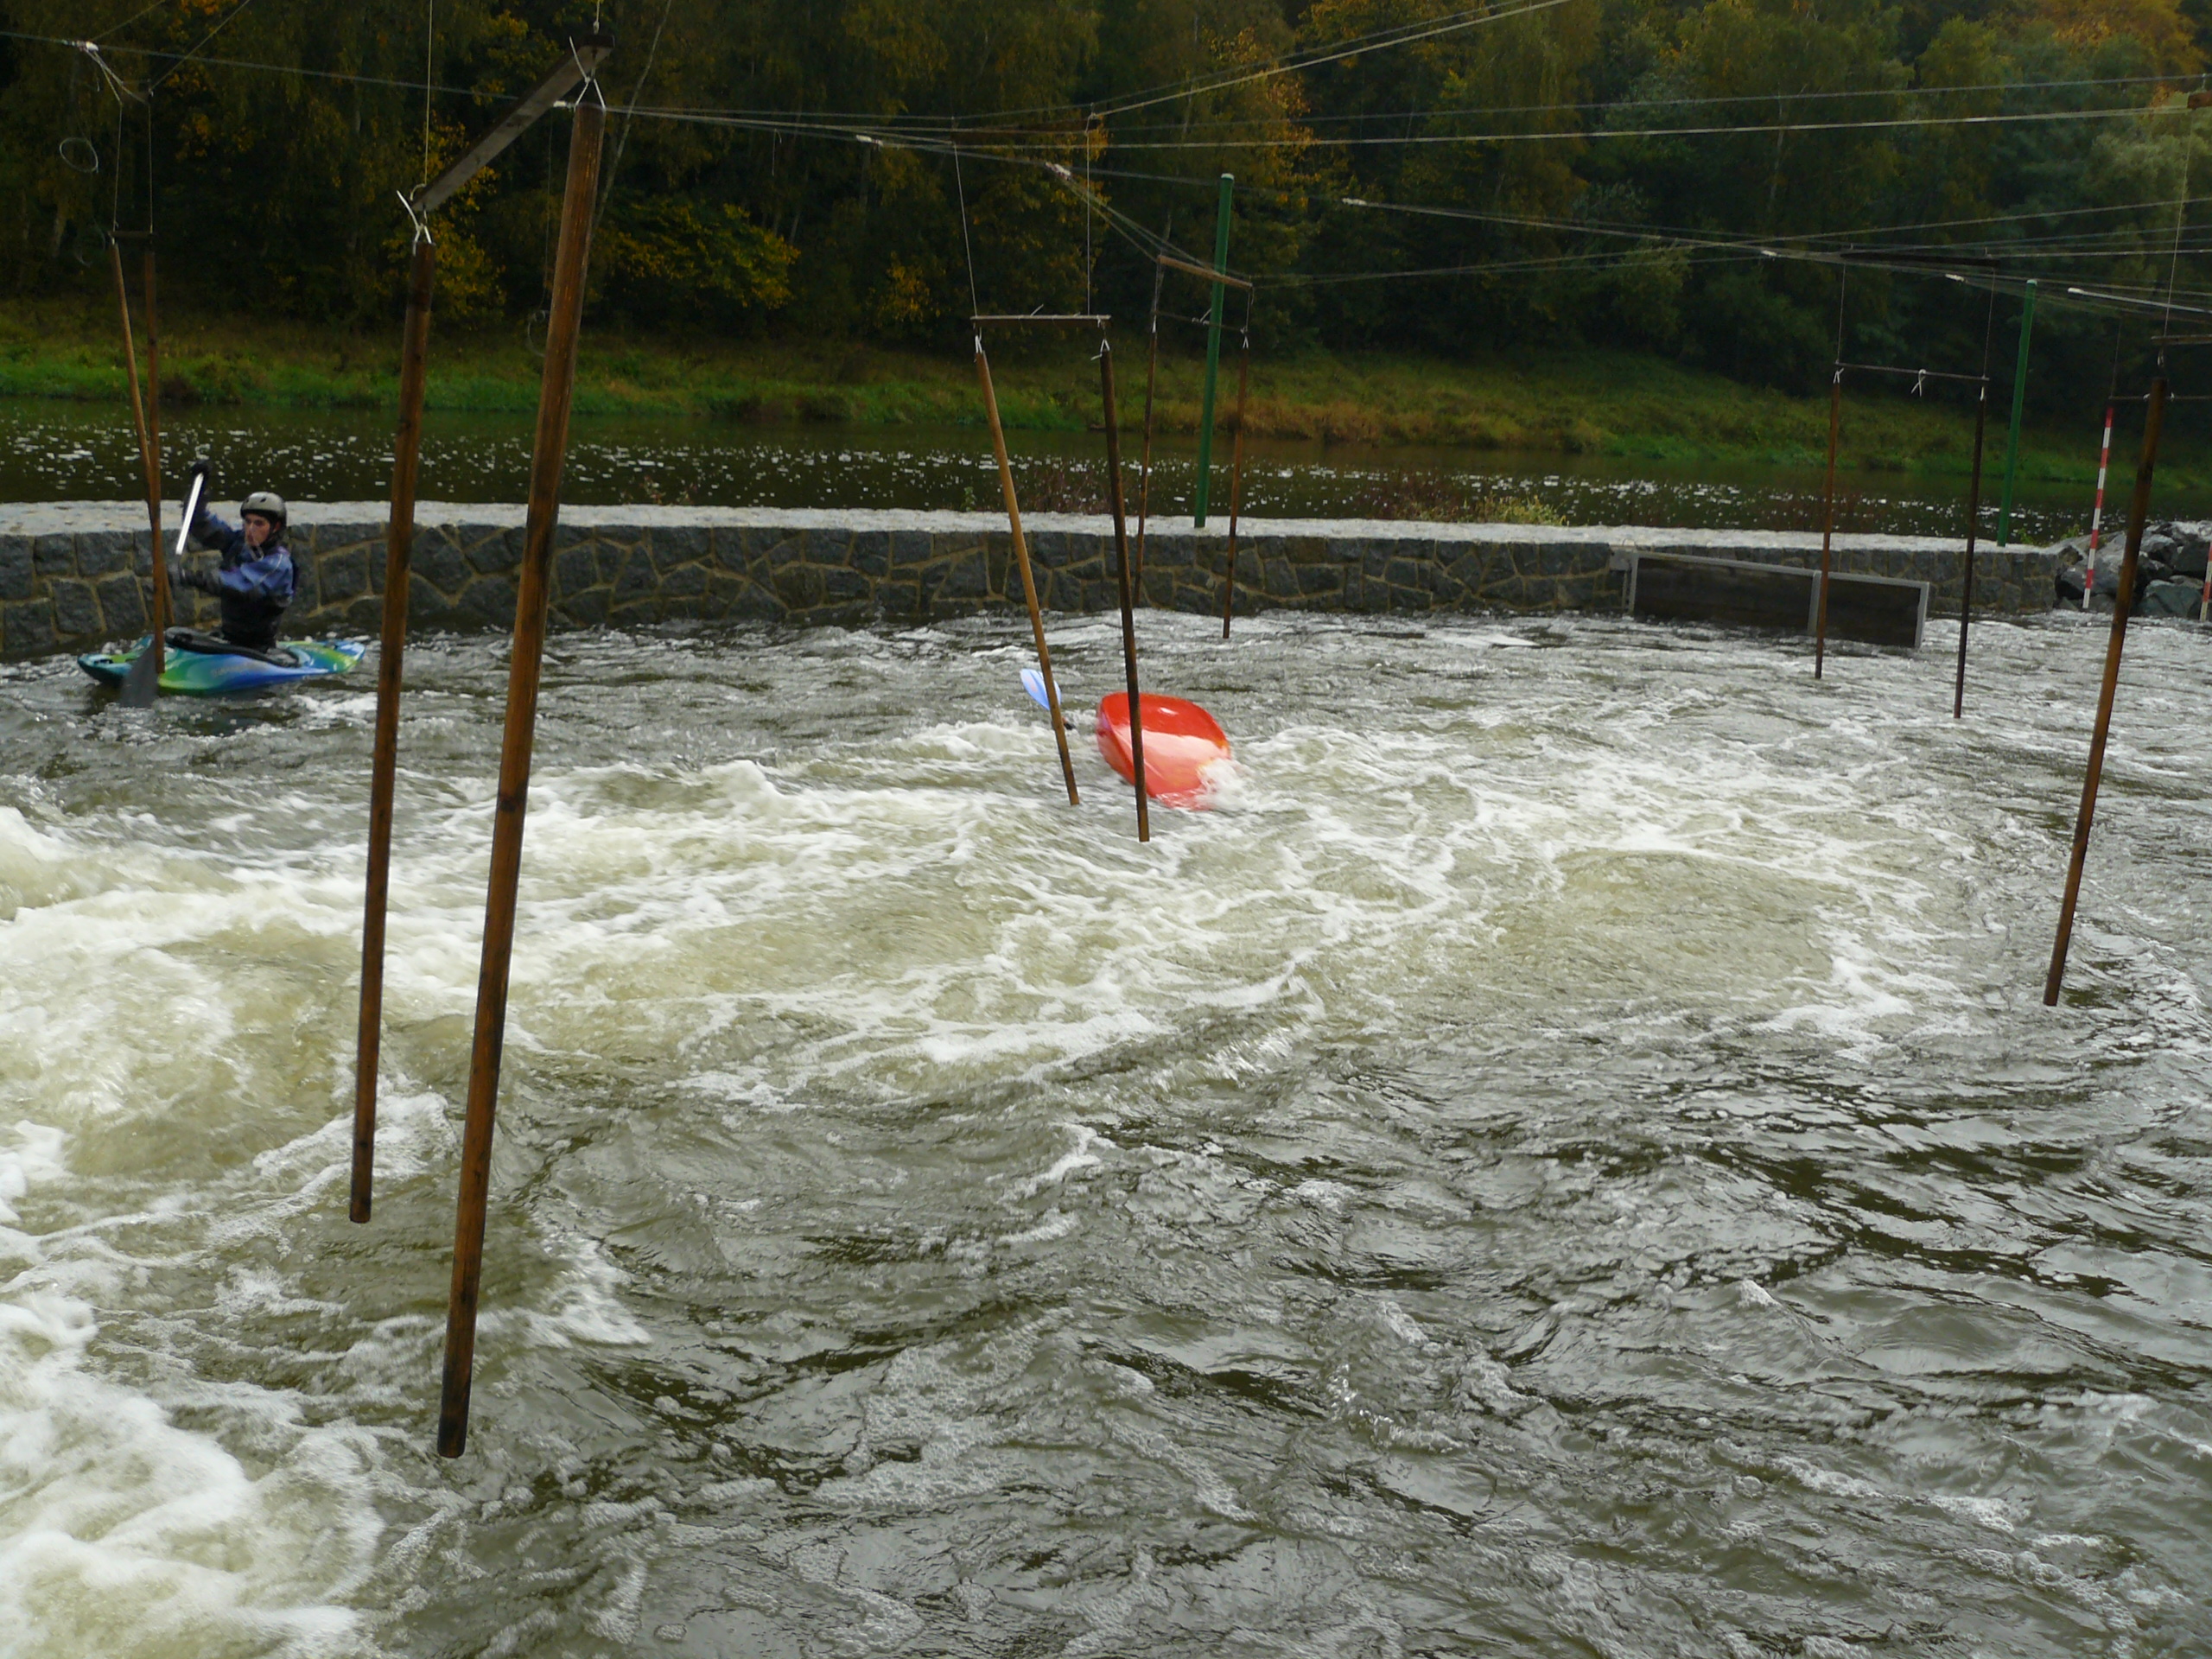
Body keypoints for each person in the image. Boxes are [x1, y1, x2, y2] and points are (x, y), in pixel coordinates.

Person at [177, 484, 296, 654]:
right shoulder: (239, 544)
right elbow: (200, 525)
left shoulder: (279, 565)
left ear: (275, 527)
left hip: (257, 648)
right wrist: (198, 493)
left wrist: (190, 576)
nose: (250, 530)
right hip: (229, 638)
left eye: (259, 524)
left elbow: (238, 584)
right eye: (247, 522)